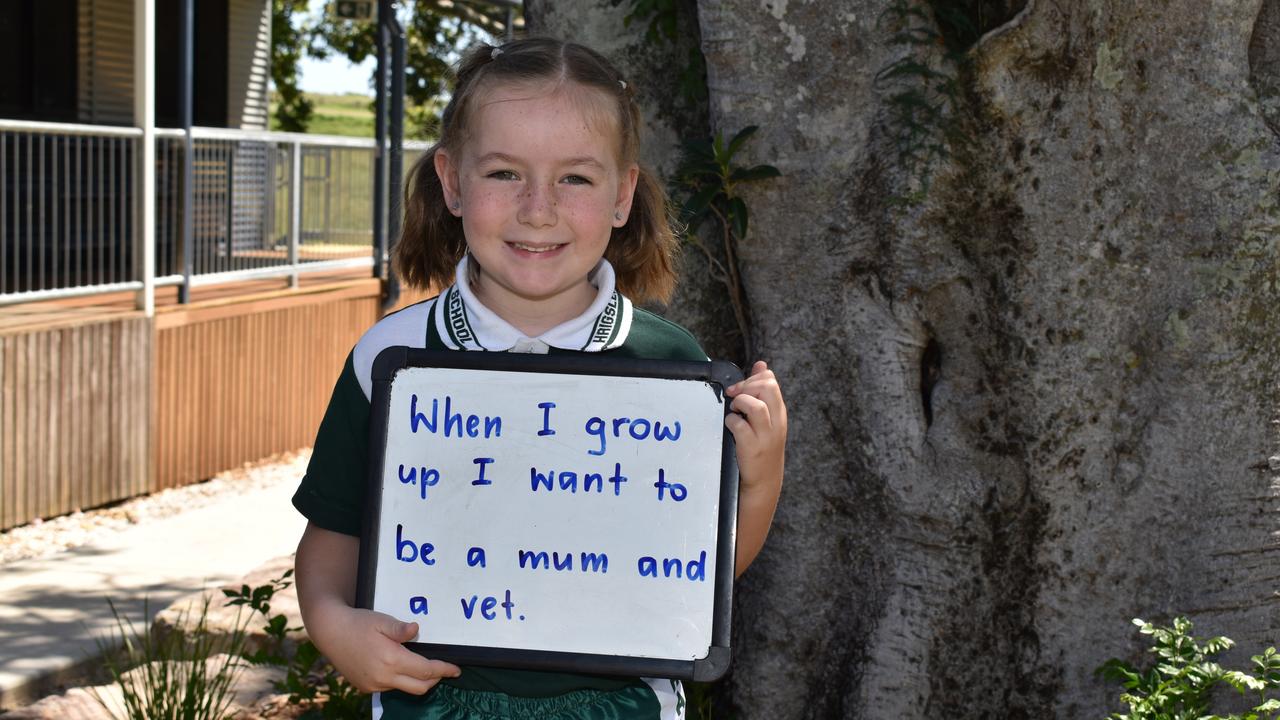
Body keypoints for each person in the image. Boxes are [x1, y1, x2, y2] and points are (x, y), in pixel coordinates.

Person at [292, 36, 787, 720]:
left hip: (622, 707)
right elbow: (332, 536)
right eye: (504, 174)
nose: (538, 208)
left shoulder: (672, 370)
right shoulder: (388, 357)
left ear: (623, 195)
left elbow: (696, 577)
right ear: (453, 181)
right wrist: (333, 626)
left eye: (575, 179)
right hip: (432, 703)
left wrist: (763, 475)